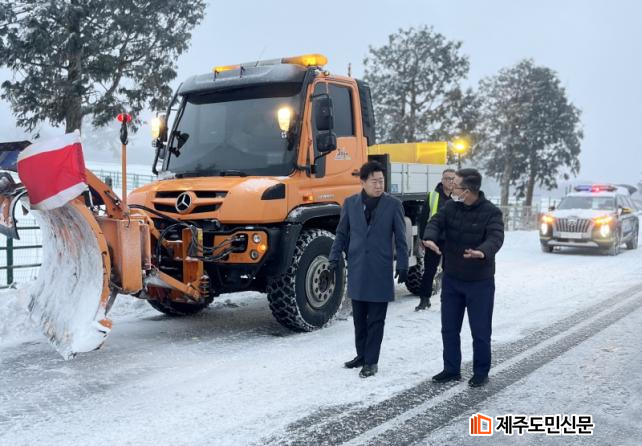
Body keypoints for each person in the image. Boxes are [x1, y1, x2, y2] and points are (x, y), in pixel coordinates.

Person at [422, 168, 504, 387]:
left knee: (480, 331)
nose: (451, 188)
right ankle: (451, 369)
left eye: (455, 185)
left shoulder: (491, 212)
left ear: (467, 191)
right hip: (452, 279)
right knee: (449, 328)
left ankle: (481, 372)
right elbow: (435, 222)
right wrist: (430, 237)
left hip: (480, 282)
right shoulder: (451, 207)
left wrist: (483, 252)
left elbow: (496, 237)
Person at [328, 160, 409, 378]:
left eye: (381, 181)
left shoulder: (393, 205)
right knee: (359, 318)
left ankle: (371, 361)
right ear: (362, 182)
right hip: (358, 268)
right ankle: (361, 355)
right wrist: (333, 258)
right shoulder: (350, 203)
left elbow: (401, 238)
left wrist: (403, 264)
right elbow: (342, 233)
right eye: (374, 181)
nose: (379, 185)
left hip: (380, 270)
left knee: (376, 320)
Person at [415, 168, 455, 311]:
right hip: (434, 241)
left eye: (453, 179)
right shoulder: (433, 195)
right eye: (447, 178)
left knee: (449, 272)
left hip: (451, 241)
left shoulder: (457, 197)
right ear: (442, 180)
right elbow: (423, 218)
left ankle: (448, 301)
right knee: (429, 271)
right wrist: (423, 238)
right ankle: (424, 300)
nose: (450, 181)